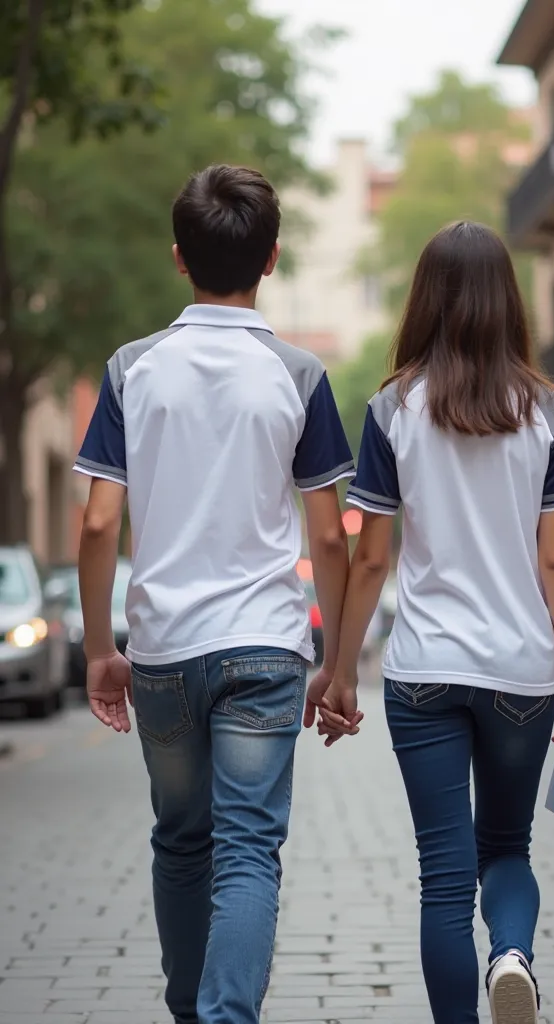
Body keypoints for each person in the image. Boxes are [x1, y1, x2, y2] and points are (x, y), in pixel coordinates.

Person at [74, 164, 359, 1024]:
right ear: (271, 259)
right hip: (267, 650)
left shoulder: (131, 371)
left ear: (177, 258)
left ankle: (189, 1012)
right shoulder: (301, 375)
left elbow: (95, 525)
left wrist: (98, 650)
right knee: (246, 853)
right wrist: (338, 663)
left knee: (180, 842)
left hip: (161, 651)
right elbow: (325, 533)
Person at [315, 221, 554, 1024]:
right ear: (508, 300)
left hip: (426, 671)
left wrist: (339, 672)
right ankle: (511, 953)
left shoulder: (393, 408)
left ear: (425, 301)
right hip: (519, 672)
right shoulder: (547, 412)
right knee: (506, 847)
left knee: (443, 875)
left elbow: (370, 559)